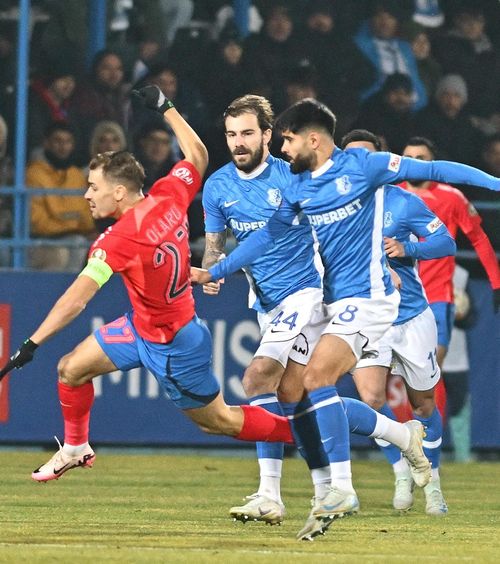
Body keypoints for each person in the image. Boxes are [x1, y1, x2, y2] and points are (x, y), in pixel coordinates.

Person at [192, 97, 499, 524]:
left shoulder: (363, 167)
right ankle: (396, 437)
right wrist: (216, 270)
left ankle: (341, 489)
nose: (283, 150)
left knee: (314, 378)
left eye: (288, 141)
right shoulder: (298, 187)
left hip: (369, 298)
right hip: (327, 299)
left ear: (313, 139)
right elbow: (265, 238)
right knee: (296, 393)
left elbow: (436, 171)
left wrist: (497, 184)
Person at [3, 85, 294, 484]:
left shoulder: (118, 240)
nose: (87, 195)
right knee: (71, 370)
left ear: (119, 192)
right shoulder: (168, 194)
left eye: (94, 187)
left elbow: (77, 299)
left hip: (172, 343)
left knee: (220, 421)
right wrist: (166, 106)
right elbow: (198, 155)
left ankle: (313, 432)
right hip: (141, 326)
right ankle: (75, 447)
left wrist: (32, 342)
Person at [340, 129, 456, 515]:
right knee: (371, 400)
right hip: (369, 319)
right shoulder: (333, 206)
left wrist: (409, 249)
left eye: (366, 156)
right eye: (351, 155)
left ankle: (433, 483)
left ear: (381, 162)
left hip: (411, 317)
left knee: (423, 405)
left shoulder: (403, 202)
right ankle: (401, 469)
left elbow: (446, 243)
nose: (358, 164)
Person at [400, 136, 500, 369]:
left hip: (437, 297)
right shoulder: (389, 195)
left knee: (431, 370)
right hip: (396, 296)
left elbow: (479, 239)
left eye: (421, 159)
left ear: (433, 163)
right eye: (408, 159)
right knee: (383, 378)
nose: (414, 164)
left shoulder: (452, 198)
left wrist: (496, 282)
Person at [26, 122, 96, 271]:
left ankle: (71, 292)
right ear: (46, 143)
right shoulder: (33, 174)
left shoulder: (75, 175)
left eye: (68, 142)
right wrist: (71, 226)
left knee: (84, 244)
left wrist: (67, 224)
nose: (63, 147)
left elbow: (86, 218)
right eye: (58, 141)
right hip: (38, 242)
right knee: (61, 252)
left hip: (73, 238)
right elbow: (37, 222)